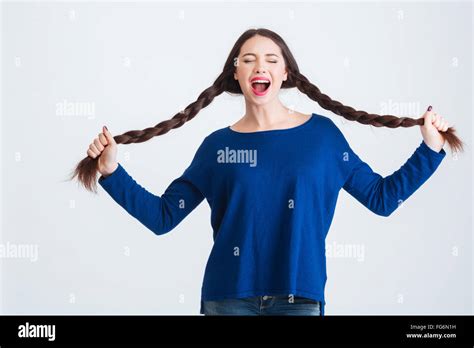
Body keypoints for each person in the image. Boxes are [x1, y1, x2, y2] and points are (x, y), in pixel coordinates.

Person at [73, 28, 462, 316]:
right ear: (235, 76)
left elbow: (381, 199)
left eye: (271, 59)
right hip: (226, 300)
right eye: (249, 59)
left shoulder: (323, 138)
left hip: (300, 300)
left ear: (286, 74)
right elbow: (163, 217)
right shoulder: (217, 148)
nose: (260, 66)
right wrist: (111, 172)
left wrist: (429, 148)